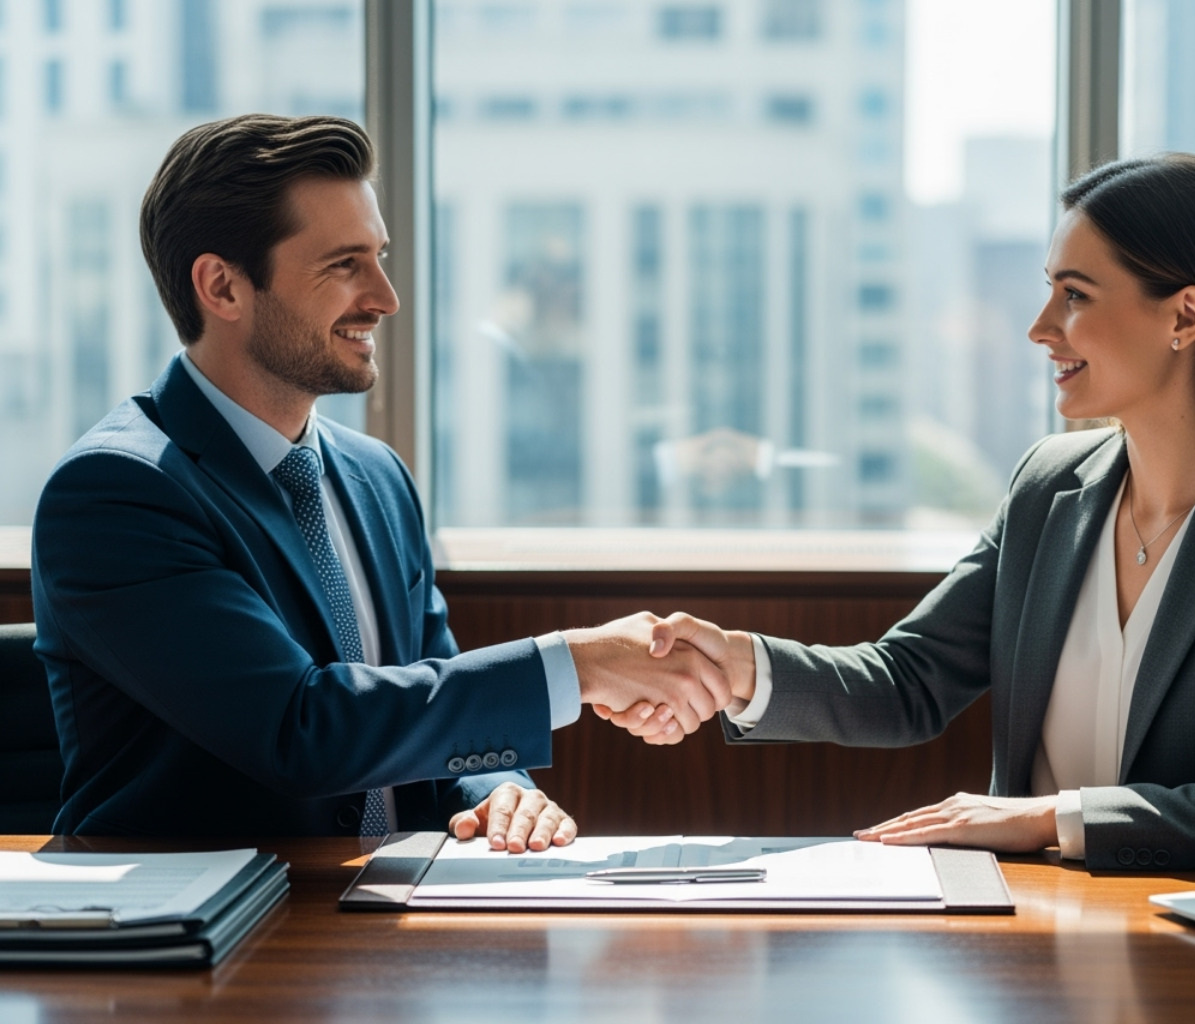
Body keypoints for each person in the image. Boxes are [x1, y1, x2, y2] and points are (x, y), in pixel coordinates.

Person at [620, 154, 1195, 872]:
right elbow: (910, 680)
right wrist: (739, 666)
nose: (1040, 327)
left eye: (1075, 295)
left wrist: (1053, 817)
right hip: (1023, 924)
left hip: (1189, 937)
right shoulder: (1046, 487)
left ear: (1184, 318)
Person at [30, 114, 728, 845]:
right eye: (344, 265)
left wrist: (498, 790)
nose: (386, 297)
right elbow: (299, 730)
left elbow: (430, 694)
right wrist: (576, 666)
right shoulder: (117, 493)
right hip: (233, 911)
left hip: (393, 898)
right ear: (223, 287)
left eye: (379, 257)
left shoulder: (377, 476)